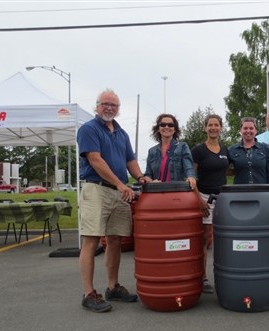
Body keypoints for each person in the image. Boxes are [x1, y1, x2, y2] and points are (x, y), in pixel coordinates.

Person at [77, 89, 149, 313]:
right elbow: (95, 160)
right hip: (97, 189)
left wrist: (140, 177)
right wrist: (120, 184)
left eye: (114, 105)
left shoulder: (121, 133)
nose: (109, 108)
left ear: (118, 109)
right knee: (91, 240)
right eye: (105, 104)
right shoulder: (88, 129)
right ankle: (89, 293)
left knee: (115, 240)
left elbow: (130, 160)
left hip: (118, 192)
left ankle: (112, 286)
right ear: (97, 106)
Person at [191, 114, 229, 294]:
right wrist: (199, 199)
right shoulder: (198, 150)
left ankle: (225, 275)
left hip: (223, 198)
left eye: (217, 125)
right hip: (205, 197)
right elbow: (191, 177)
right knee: (205, 239)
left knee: (223, 238)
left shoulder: (225, 149)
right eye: (210, 125)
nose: (214, 128)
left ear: (221, 128)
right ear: (205, 128)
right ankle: (203, 277)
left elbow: (228, 169)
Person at [144, 113, 196, 190]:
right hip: (157, 192)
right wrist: (148, 180)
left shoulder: (183, 146)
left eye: (170, 125)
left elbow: (188, 168)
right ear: (158, 128)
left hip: (176, 191)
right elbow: (148, 174)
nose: (167, 127)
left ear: (175, 129)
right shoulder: (152, 151)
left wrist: (191, 177)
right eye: (163, 124)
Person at [228, 117, 269, 185]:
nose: (248, 131)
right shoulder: (232, 150)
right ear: (240, 130)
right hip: (239, 192)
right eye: (245, 128)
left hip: (261, 192)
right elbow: (221, 168)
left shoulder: (265, 149)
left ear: (255, 131)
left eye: (251, 128)